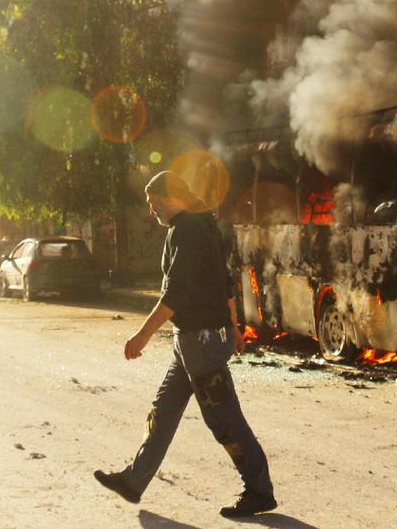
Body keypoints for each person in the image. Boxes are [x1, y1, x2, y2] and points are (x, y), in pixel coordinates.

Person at [94, 171, 276, 518]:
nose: (152, 210)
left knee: (223, 417)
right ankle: (133, 481)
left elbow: (176, 292)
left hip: (201, 341)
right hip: (194, 341)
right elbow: (223, 282)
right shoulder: (202, 224)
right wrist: (233, 326)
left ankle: (259, 490)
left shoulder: (186, 230)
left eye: (153, 202)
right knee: (163, 410)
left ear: (168, 197)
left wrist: (143, 334)